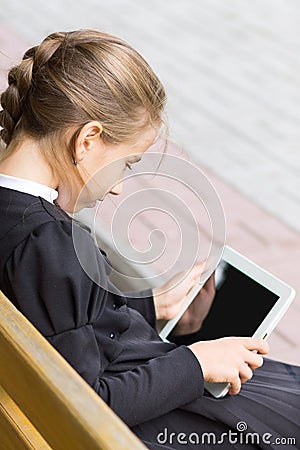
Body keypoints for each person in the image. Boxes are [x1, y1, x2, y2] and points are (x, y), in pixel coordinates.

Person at [0, 30, 299, 450]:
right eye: (126, 164)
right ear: (86, 140)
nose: (118, 188)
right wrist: (198, 364)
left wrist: (154, 303)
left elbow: (60, 316)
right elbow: (85, 404)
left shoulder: (23, 225)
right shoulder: (49, 243)